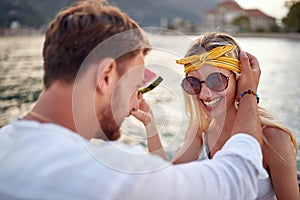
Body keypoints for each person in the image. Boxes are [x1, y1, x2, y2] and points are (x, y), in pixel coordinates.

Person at [0, 1, 265, 199]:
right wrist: (248, 94)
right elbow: (239, 176)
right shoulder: (117, 177)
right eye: (135, 85)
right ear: (105, 77)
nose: (133, 105)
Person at [139, 32, 299, 200]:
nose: (205, 94)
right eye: (193, 83)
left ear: (239, 79)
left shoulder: (271, 137)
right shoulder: (203, 128)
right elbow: (166, 182)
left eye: (216, 81)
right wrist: (149, 122)